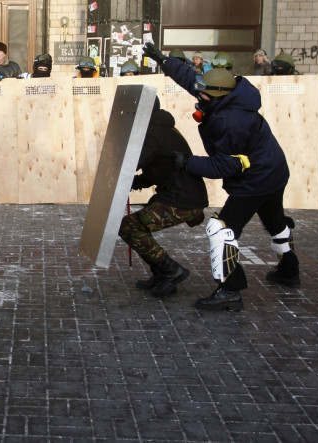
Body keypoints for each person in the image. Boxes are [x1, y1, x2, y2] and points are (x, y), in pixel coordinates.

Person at [144, 42, 301, 311]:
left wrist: (188, 162)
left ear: (216, 97)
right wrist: (163, 60)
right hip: (275, 170)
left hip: (255, 178)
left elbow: (226, 167)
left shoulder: (230, 121)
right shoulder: (230, 91)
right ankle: (289, 269)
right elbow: (193, 81)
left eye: (203, 95)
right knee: (274, 222)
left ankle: (229, 290)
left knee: (220, 228)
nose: (198, 96)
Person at [120, 97, 209, 297]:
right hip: (181, 195)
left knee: (129, 226)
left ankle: (170, 271)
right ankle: (162, 273)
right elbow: (155, 172)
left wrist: (120, 168)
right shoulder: (161, 129)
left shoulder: (154, 133)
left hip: (182, 200)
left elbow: (131, 162)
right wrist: (134, 183)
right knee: (135, 226)